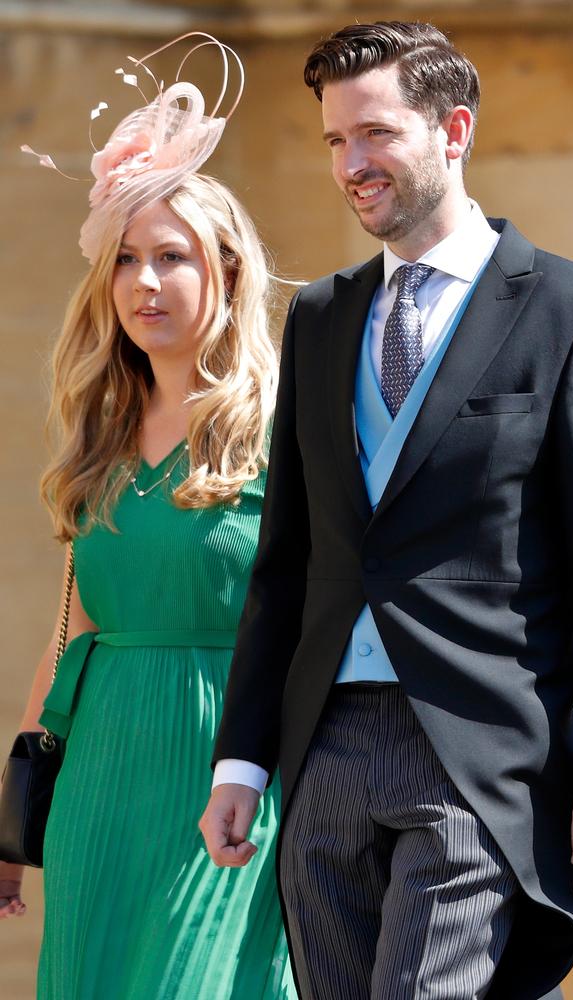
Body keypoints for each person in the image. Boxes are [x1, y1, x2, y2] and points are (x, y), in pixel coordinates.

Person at [200, 20, 573, 1000]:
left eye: (374, 135)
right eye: (331, 141)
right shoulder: (318, 318)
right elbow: (288, 558)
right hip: (323, 754)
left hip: (475, 749)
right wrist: (241, 758)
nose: (349, 164)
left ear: (452, 131)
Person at [0, 34, 296, 1000]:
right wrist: (9, 816)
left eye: (173, 257)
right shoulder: (100, 432)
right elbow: (73, 625)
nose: (145, 283)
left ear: (229, 273)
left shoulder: (291, 428)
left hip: (231, 773)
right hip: (100, 781)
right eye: (126, 259)